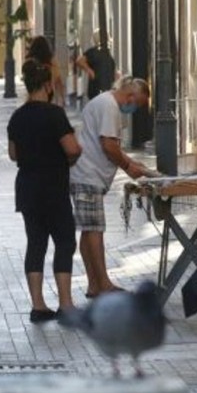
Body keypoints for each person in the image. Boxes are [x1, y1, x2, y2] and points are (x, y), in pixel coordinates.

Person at [8, 61, 82, 323]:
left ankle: (38, 305)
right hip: (53, 187)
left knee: (36, 244)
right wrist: (69, 158)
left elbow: (13, 153)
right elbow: (72, 148)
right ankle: (65, 303)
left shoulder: (17, 116)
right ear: (48, 85)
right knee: (64, 241)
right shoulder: (55, 114)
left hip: (27, 187)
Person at [70, 77, 151, 298]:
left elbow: (112, 144)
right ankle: (103, 283)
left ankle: (94, 284)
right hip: (88, 175)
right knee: (95, 230)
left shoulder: (105, 102)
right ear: (131, 96)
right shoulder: (109, 106)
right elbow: (108, 146)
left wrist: (133, 164)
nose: (135, 109)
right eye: (139, 104)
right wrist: (127, 166)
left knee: (89, 231)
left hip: (87, 175)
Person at [76, 30, 116, 101]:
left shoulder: (107, 54)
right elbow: (80, 61)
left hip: (106, 88)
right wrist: (90, 71)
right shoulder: (94, 52)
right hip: (96, 88)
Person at [25, 36, 66, 107]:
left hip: (34, 94)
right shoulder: (52, 62)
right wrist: (62, 98)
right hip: (49, 93)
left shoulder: (30, 63)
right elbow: (58, 80)